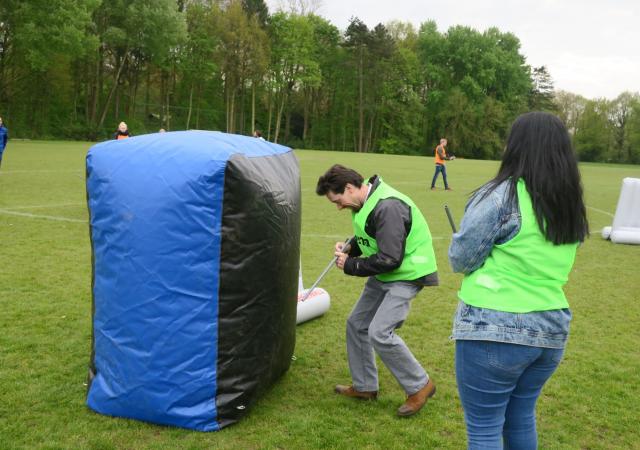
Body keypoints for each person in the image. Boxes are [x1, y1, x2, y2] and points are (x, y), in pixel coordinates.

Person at [448, 112, 589, 449]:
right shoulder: (568, 204)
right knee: (520, 417)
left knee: (483, 429)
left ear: (517, 146)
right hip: (550, 331)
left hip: (494, 328)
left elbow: (461, 259)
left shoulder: (502, 195)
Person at [315, 164, 439, 417]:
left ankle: (420, 385)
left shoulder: (388, 206)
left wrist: (349, 265)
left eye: (338, 201)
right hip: (386, 273)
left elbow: (390, 257)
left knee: (380, 332)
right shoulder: (364, 203)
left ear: (349, 188)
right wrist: (352, 248)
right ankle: (365, 387)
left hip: (408, 275)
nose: (338, 207)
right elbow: (373, 238)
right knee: (356, 323)